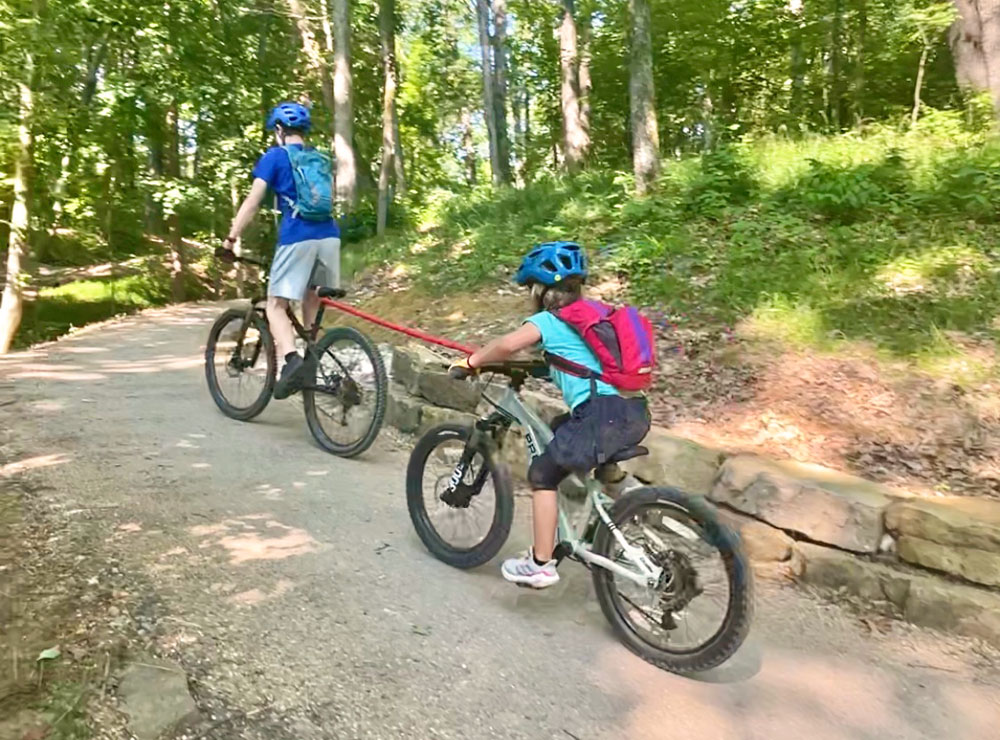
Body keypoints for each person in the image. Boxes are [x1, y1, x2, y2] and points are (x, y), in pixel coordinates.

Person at [450, 242, 651, 589]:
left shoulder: (550, 320)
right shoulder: (595, 315)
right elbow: (577, 363)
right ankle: (628, 497)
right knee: (560, 429)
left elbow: (507, 345)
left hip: (601, 415)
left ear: (540, 290)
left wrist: (471, 362)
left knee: (542, 473)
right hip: (633, 410)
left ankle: (541, 564)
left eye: (532, 288)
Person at [222, 101, 341, 399]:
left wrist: (231, 238)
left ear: (278, 129)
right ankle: (312, 360)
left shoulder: (274, 157)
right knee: (311, 297)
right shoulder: (320, 158)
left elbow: (252, 201)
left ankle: (291, 362)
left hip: (297, 237)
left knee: (275, 305)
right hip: (330, 237)